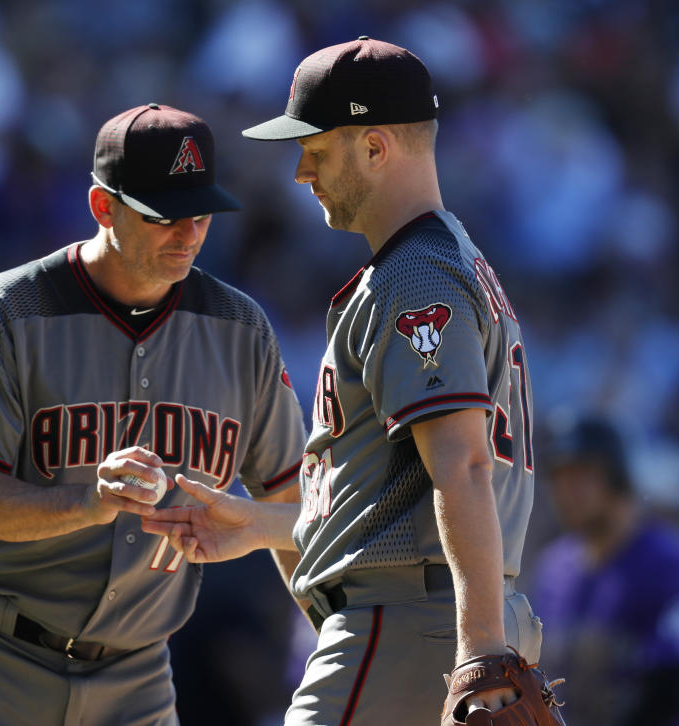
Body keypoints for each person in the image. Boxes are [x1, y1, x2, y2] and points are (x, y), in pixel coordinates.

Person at [143, 37, 552, 725]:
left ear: (374, 146)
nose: (301, 171)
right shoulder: (446, 260)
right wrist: (262, 525)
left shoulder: (415, 274)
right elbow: (408, 503)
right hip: (438, 615)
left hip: (411, 629)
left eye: (317, 147)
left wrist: (480, 652)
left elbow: (465, 466)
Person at [0, 103, 308, 726]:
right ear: (102, 207)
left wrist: (338, 643)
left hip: (135, 675)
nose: (189, 234)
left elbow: (295, 504)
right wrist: (87, 503)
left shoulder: (240, 329)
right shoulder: (6, 313)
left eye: (201, 214)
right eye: (164, 215)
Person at [529, 414, 679, 726]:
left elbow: (678, 682)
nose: (566, 491)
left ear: (617, 476)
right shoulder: (554, 568)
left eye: (581, 475)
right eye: (559, 478)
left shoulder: (670, 565)